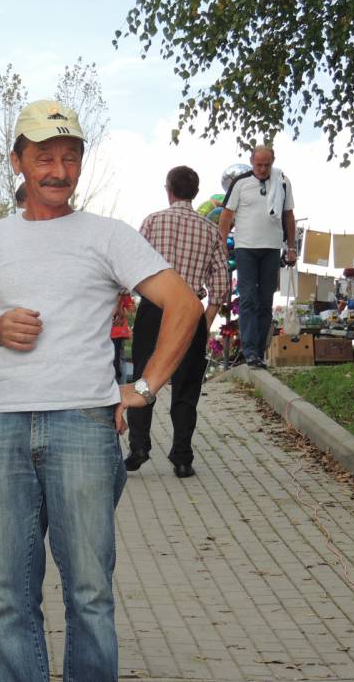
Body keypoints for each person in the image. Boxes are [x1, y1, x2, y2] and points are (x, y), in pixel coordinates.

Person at [0, 99, 203, 682]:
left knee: (90, 594)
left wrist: (143, 387)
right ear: (17, 161)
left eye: (70, 157)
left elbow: (185, 305)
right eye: (44, 157)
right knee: (7, 597)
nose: (59, 171)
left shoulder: (108, 235)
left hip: (84, 426)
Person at [125, 166, 230, 478]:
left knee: (144, 374)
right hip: (190, 310)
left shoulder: (152, 221)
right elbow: (221, 283)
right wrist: (205, 320)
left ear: (168, 190)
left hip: (154, 309)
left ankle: (139, 446)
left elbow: (130, 265)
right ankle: (182, 457)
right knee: (187, 385)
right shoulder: (211, 230)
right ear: (195, 193)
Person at [217, 145, 296, 367]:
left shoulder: (282, 182)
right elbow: (226, 216)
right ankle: (250, 350)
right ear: (251, 161)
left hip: (272, 248)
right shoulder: (240, 182)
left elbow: (289, 215)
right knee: (248, 298)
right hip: (246, 248)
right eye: (258, 164)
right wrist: (222, 245)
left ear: (273, 162)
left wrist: (291, 248)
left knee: (265, 301)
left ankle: (258, 353)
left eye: (266, 165)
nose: (262, 169)